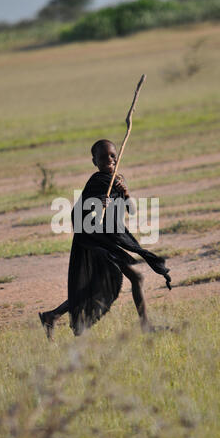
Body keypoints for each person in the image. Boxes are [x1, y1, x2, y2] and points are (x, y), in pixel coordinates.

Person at [39, 139, 171, 339]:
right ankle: (145, 325)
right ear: (95, 162)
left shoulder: (119, 179)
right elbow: (78, 214)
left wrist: (126, 194)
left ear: (117, 158)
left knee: (129, 279)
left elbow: (132, 211)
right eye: (103, 157)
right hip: (96, 240)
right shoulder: (96, 181)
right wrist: (97, 205)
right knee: (127, 279)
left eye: (112, 156)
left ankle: (52, 315)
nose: (109, 160)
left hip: (111, 239)